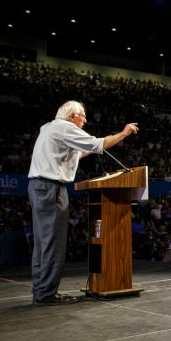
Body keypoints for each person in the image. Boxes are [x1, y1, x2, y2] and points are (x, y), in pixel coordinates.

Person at [28, 100, 138, 305]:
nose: (85, 120)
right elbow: (97, 144)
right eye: (83, 116)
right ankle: (45, 294)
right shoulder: (65, 127)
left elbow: (80, 152)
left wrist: (95, 148)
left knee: (43, 243)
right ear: (71, 116)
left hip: (39, 187)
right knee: (53, 243)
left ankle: (41, 291)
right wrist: (123, 133)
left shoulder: (50, 127)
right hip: (50, 189)